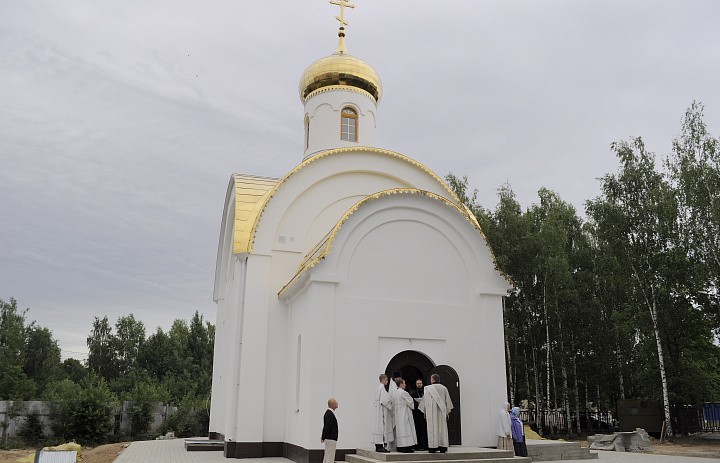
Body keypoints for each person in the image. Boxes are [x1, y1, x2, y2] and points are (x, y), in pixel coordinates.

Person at [419, 373, 453, 453]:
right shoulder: (444, 388)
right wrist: (447, 412)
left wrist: (425, 411)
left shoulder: (428, 388)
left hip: (431, 412)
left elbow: (425, 401)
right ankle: (443, 447)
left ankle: (433, 447)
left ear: (432, 380)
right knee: (442, 428)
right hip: (441, 412)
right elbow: (447, 401)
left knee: (433, 428)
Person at [393, 379, 417, 453]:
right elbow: (410, 402)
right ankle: (407, 447)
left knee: (401, 430)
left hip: (398, 414)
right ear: (400, 384)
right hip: (404, 413)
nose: (405, 385)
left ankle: (400, 446)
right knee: (407, 429)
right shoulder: (404, 393)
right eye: (404, 383)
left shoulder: (396, 392)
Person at [371, 374, 394, 452]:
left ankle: (378, 446)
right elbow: (384, 401)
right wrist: (390, 404)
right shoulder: (382, 389)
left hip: (378, 411)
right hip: (382, 412)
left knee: (378, 428)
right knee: (382, 428)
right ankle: (380, 447)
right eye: (386, 380)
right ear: (383, 380)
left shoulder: (378, 388)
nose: (387, 381)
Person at [411, 379, 428, 450]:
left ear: (422, 384)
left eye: (420, 383)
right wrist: (416, 404)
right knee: (417, 429)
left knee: (424, 430)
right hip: (416, 414)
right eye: (417, 383)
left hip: (424, 413)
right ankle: (418, 446)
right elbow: (411, 402)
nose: (419, 385)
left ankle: (425, 445)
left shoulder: (426, 392)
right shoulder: (413, 393)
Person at [321, 398, 339, 463]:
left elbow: (326, 426)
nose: (337, 403)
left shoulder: (329, 413)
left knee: (327, 457)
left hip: (329, 438)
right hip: (330, 439)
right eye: (336, 402)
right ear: (332, 404)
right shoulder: (330, 414)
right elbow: (327, 427)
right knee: (330, 458)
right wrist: (323, 436)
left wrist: (323, 436)